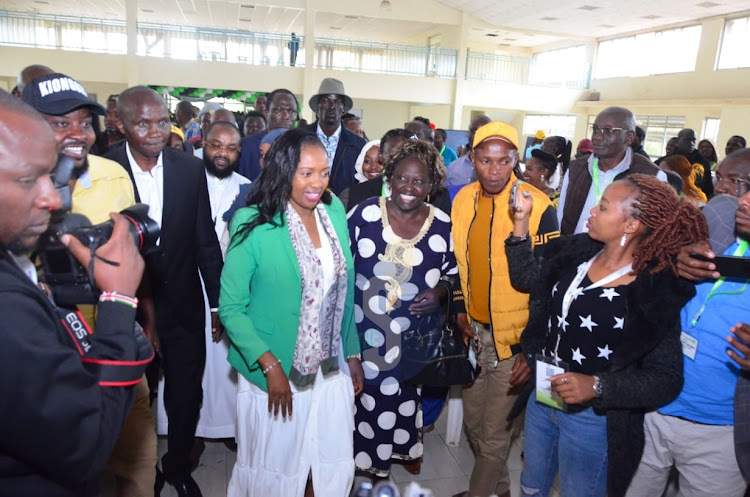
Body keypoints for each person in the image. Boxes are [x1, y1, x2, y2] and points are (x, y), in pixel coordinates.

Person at [508, 174, 708, 497]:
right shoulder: (578, 252)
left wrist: (598, 386)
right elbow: (526, 278)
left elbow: (666, 378)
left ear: (631, 226)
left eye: (602, 207)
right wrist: (521, 222)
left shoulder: (653, 287)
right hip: (543, 396)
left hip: (592, 418)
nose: (592, 212)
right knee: (531, 486)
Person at [0, 89, 149, 495]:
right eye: (29, 179)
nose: (52, 198)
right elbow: (84, 444)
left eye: (52, 175)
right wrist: (118, 299)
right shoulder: (8, 306)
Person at [219, 127, 363, 496]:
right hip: (275, 370)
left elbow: (343, 290)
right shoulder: (253, 222)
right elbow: (232, 308)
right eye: (306, 173)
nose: (317, 183)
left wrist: (352, 352)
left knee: (326, 461)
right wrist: (269, 365)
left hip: (329, 369)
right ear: (284, 171)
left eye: (324, 172)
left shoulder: (334, 209)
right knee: (278, 467)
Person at [106, 86, 224, 497]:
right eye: (143, 123)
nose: (156, 131)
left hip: (183, 304)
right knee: (129, 398)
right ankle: (137, 475)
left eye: (161, 121)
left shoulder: (187, 168)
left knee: (186, 393)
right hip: (126, 310)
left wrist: (218, 303)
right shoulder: (104, 169)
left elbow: (204, 240)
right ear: (119, 123)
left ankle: (176, 467)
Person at [451, 121, 559, 497]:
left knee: (495, 435)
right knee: (475, 425)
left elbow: (548, 284)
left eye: (504, 161)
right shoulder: (463, 199)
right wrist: (461, 309)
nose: (494, 170)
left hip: (515, 341)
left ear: (516, 160)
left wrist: (533, 348)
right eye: (485, 160)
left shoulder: (539, 206)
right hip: (476, 335)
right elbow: (461, 264)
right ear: (473, 159)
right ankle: (499, 490)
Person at [626, 178, 750, 497]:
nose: (744, 201)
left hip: (721, 434)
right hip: (655, 410)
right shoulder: (718, 239)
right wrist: (671, 260)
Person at [348, 139, 455, 479]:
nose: (409, 188)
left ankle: (395, 452)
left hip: (413, 340)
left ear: (431, 185)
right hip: (364, 336)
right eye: (402, 178)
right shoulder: (364, 214)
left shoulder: (441, 224)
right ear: (389, 177)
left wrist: (439, 292)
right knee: (365, 400)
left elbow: (454, 274)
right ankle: (364, 465)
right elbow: (338, 269)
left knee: (405, 397)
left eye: (419, 181)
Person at [156, 121, 250, 449]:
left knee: (223, 367)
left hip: (227, 288)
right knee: (187, 370)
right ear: (202, 145)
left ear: (240, 153)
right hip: (184, 285)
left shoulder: (248, 188)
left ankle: (224, 426)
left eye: (231, 148)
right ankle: (189, 435)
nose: (223, 153)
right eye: (216, 146)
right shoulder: (181, 178)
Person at [558, 106, 667, 235]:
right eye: (596, 129)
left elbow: (653, 230)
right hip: (572, 250)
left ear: (629, 137)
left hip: (617, 253)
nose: (597, 137)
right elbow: (561, 216)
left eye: (608, 131)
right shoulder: (576, 167)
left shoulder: (652, 176)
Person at [302, 78, 366, 194]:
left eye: (337, 102)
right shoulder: (300, 138)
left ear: (343, 109)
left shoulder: (357, 145)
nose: (332, 106)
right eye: (326, 101)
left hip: (343, 209)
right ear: (317, 107)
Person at [239, 88, 298, 181]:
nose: (285, 116)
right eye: (279, 110)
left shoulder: (303, 146)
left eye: (291, 112)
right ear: (266, 113)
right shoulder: (247, 146)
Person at [657, 128, 714, 198]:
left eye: (694, 140)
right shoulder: (665, 160)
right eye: (687, 140)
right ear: (678, 142)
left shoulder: (702, 162)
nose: (691, 143)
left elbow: (708, 188)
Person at [445, 115, 491, 187]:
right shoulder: (453, 167)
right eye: (475, 131)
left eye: (484, 131)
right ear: (468, 134)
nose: (478, 135)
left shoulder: (498, 171)